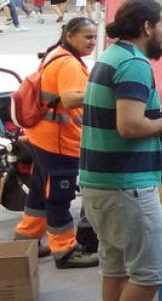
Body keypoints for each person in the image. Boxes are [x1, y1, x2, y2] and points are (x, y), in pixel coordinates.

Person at [80, 0, 162, 301]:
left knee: (116, 268)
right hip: (126, 185)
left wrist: (160, 115)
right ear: (146, 27)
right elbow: (129, 126)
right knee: (155, 269)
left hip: (101, 183)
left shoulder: (111, 58)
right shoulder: (134, 63)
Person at [13, 18, 100, 268]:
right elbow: (71, 100)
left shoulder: (55, 54)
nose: (92, 42)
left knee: (41, 191)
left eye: (94, 37)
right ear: (70, 36)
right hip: (59, 142)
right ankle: (64, 251)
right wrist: (103, 91)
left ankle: (25, 240)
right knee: (59, 196)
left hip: (42, 137)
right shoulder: (69, 64)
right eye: (87, 37)